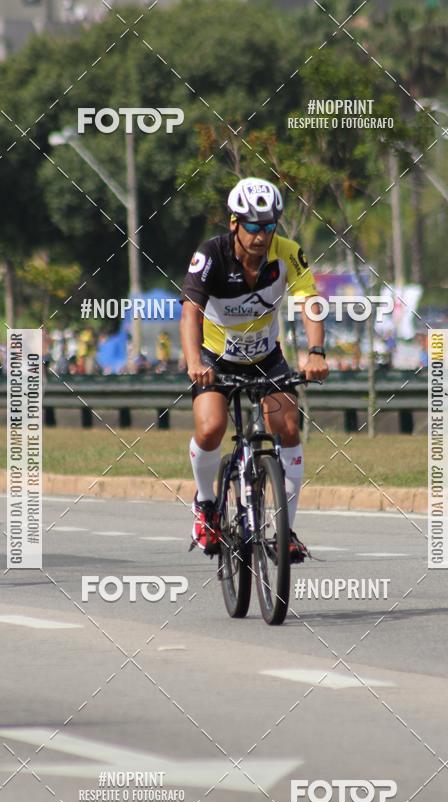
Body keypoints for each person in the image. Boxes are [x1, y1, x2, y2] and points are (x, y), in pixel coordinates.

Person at [179, 176, 329, 560]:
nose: (261, 235)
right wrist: (195, 362)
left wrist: (316, 351)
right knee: (211, 427)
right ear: (234, 223)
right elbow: (190, 312)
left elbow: (309, 301)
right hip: (215, 359)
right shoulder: (211, 255)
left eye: (269, 225)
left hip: (265, 357)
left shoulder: (288, 253)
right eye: (252, 226)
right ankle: (208, 505)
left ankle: (285, 531)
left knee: (288, 428)